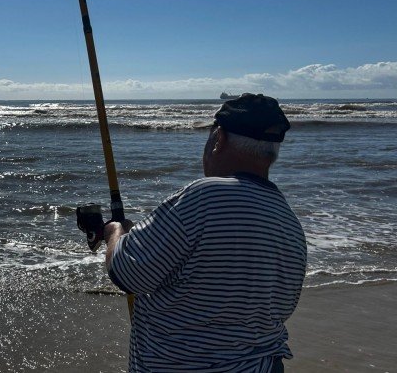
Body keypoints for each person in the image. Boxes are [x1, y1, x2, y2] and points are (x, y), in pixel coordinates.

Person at [104, 93, 306, 372]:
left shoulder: (205, 195)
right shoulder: (288, 220)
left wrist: (115, 232)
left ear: (219, 139)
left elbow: (127, 273)